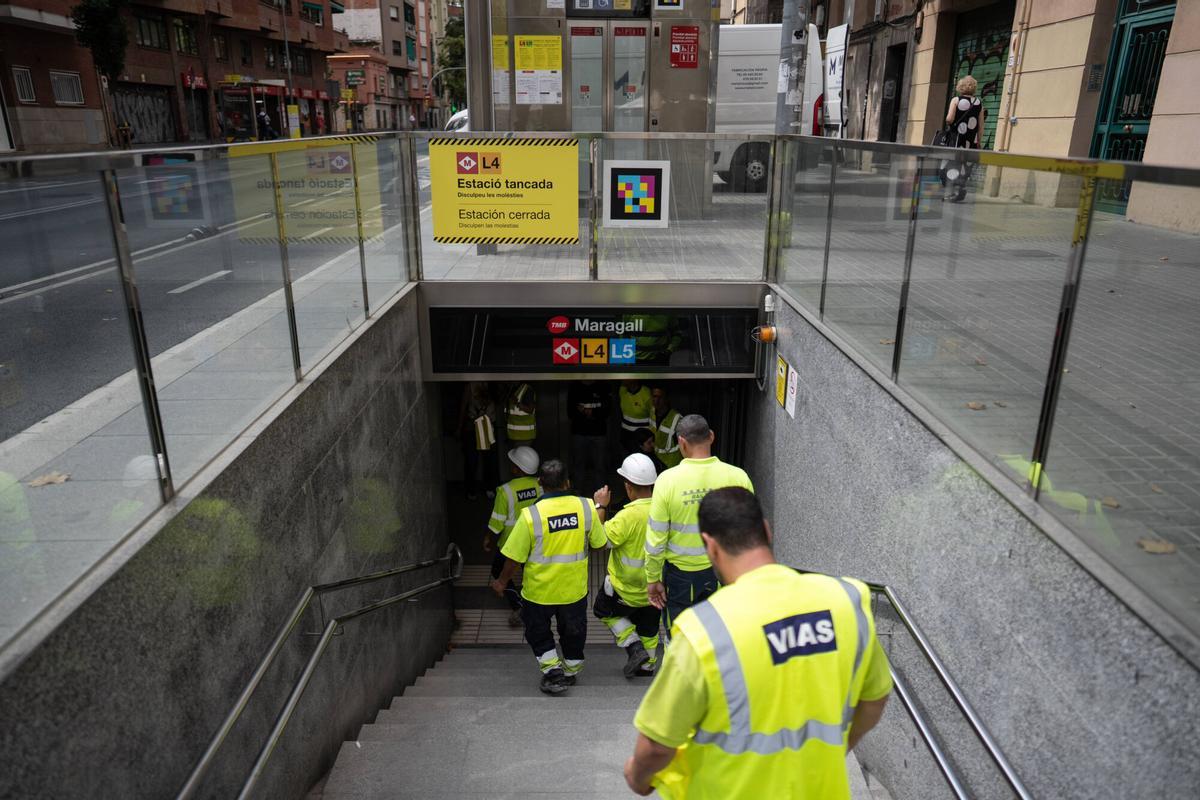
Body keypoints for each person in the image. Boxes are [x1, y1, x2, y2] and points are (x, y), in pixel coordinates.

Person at [624, 488, 892, 798]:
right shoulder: (846, 600)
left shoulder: (705, 631)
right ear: (766, 530)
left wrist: (637, 776)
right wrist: (834, 750)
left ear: (710, 546)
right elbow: (875, 699)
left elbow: (656, 745)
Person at [492, 459, 607, 695]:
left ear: (540, 483)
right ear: (567, 482)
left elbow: (513, 559)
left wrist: (502, 582)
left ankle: (553, 672)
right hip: (573, 590)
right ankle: (571, 670)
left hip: (539, 592)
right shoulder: (586, 507)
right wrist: (600, 508)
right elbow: (599, 543)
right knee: (573, 631)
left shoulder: (530, 516)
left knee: (537, 631)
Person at [645, 415, 753, 634]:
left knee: (679, 634)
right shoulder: (738, 477)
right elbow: (750, 534)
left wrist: (653, 578)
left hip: (679, 577)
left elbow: (656, 540)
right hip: (724, 572)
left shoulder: (667, 481)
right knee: (720, 632)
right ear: (711, 436)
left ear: (681, 443)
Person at [592, 454, 661, 679]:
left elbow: (600, 541)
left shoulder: (627, 516)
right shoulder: (666, 509)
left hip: (625, 589)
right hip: (656, 589)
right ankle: (648, 667)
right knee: (650, 628)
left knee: (602, 610)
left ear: (628, 487)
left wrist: (600, 506)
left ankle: (634, 647)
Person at [485, 446, 542, 626]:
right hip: (536, 540)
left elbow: (497, 522)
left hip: (512, 544)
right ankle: (535, 603)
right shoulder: (540, 485)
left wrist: (488, 538)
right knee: (530, 572)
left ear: (517, 468)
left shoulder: (505, 491)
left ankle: (519, 606)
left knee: (498, 570)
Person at [941, 74, 985, 203]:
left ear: (960, 87)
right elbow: (981, 126)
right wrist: (979, 142)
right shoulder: (978, 103)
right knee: (965, 166)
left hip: (956, 141)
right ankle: (960, 188)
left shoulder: (956, 100)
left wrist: (951, 122)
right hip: (970, 142)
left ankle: (950, 193)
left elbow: (949, 119)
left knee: (950, 166)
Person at [568, 380, 609, 497]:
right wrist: (585, 412)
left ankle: (601, 495)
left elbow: (608, 410)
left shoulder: (602, 386)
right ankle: (577, 495)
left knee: (600, 466)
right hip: (579, 433)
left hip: (599, 433)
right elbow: (570, 412)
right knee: (578, 465)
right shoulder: (575, 387)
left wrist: (592, 413)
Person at [459, 382, 499, 500]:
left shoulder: (492, 384)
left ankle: (489, 488)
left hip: (489, 426)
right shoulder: (470, 386)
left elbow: (499, 399)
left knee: (489, 459)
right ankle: (472, 490)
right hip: (474, 426)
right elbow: (463, 407)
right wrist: (459, 428)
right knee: (472, 460)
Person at [650, 385, 683, 470]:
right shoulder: (652, 412)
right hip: (656, 462)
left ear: (666, 399)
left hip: (672, 465)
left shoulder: (677, 418)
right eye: (654, 397)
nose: (656, 401)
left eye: (660, 397)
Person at [618, 380, 654, 455]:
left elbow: (653, 415)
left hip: (641, 437)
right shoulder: (622, 390)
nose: (623, 379)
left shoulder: (646, 393)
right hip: (626, 435)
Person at [505, 382, 538, 447]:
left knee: (520, 456)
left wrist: (516, 403)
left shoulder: (527, 389)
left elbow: (530, 409)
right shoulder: (514, 388)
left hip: (524, 437)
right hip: (514, 435)